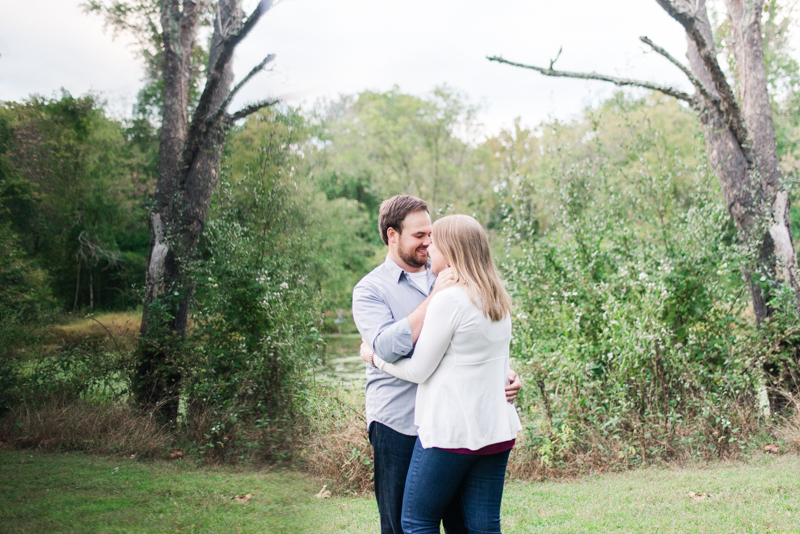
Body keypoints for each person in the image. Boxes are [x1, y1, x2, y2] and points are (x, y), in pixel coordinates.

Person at [352, 195, 521, 534]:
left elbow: (474, 340)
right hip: (398, 423)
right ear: (391, 235)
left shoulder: (450, 275)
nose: (428, 243)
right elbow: (385, 345)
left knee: (461, 524)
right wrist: (433, 300)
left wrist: (505, 374)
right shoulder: (370, 290)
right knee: (402, 525)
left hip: (454, 424)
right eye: (419, 236)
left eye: (431, 235)